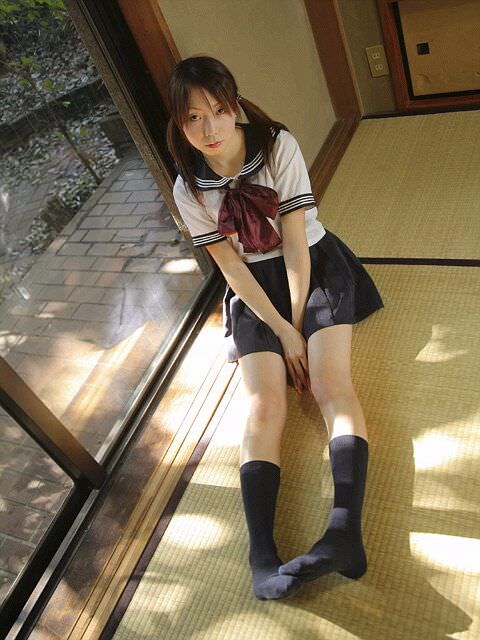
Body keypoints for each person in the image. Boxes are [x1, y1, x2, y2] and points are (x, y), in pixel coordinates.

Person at [166, 56, 384, 601]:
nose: (210, 128)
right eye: (194, 117)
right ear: (178, 122)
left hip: (310, 265)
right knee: (263, 405)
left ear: (235, 104)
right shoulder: (187, 188)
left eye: (219, 110)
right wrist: (284, 333)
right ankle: (261, 555)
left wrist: (300, 321)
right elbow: (231, 267)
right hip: (253, 292)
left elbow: (294, 240)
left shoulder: (276, 144)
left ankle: (344, 532)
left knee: (330, 384)